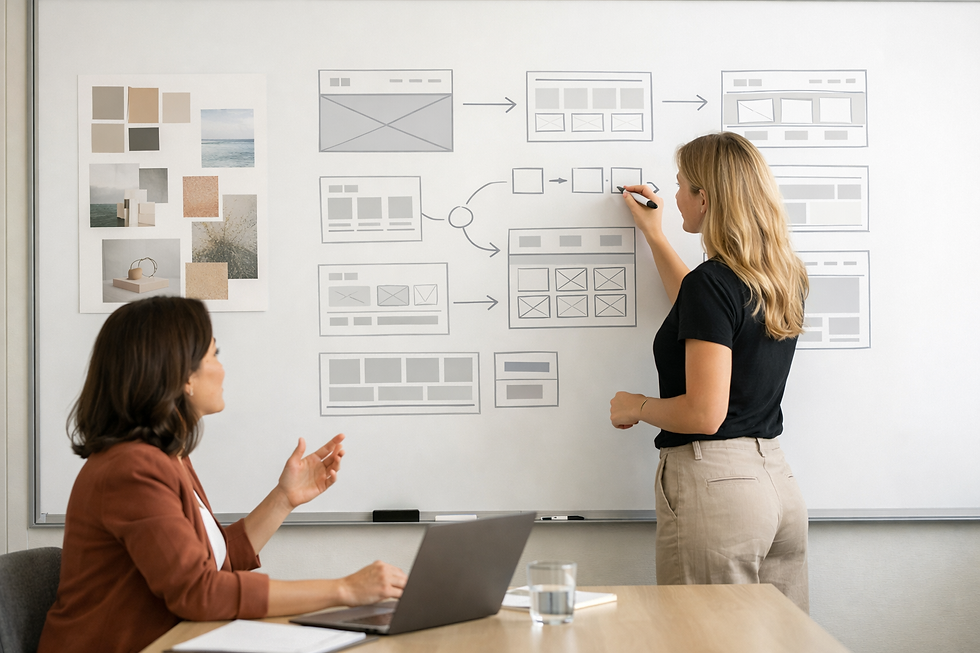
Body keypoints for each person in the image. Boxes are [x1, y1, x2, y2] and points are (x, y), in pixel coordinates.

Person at [39, 296, 407, 653]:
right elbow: (199, 593)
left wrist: (284, 498)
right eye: (214, 354)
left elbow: (216, 563)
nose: (222, 367)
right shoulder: (132, 468)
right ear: (183, 376)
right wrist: (345, 590)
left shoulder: (169, 459)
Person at [609, 132, 810, 612]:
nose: (675, 195)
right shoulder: (784, 276)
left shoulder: (712, 283)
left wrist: (635, 407)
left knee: (704, 639)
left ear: (705, 197)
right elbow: (701, 308)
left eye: (681, 184)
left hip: (718, 491)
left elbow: (704, 413)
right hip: (777, 487)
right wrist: (656, 236)